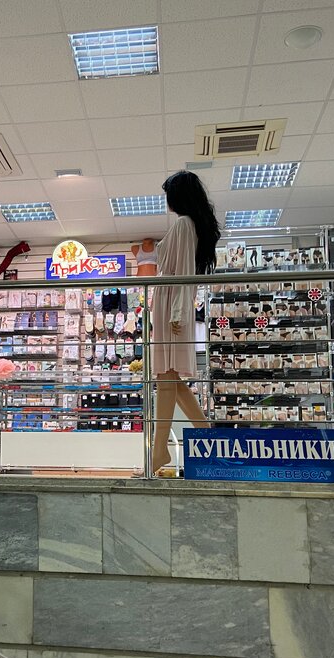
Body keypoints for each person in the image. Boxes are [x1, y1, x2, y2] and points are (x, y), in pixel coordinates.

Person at [149, 171, 221, 475]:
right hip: (171, 304)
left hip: (171, 306)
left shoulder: (182, 224)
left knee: (166, 376)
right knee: (169, 377)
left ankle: (159, 451)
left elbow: (183, 273)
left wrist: (177, 312)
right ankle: (203, 434)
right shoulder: (189, 225)